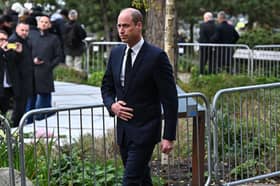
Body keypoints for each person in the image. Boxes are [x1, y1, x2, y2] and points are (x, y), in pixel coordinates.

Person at [101, 8, 178, 185]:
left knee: (130, 180)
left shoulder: (156, 56)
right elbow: (106, 87)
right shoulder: (116, 53)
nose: (121, 30)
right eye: (119, 26)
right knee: (142, 179)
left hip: (146, 131)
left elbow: (170, 98)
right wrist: (112, 106)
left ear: (139, 25)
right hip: (123, 131)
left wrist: (169, 135)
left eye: (126, 26)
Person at [26, 15, 62, 120]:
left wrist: (49, 66)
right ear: (38, 23)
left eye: (46, 22)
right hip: (32, 72)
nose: (44, 24)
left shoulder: (54, 38)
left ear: (49, 25)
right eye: (42, 21)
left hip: (45, 72)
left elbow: (59, 56)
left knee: (44, 98)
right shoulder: (32, 36)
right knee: (31, 99)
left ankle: (42, 118)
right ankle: (29, 120)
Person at [8, 21, 34, 126]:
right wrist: (18, 53)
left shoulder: (26, 40)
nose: (24, 32)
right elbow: (10, 60)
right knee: (18, 108)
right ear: (17, 29)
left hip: (25, 79)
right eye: (22, 30)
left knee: (22, 107)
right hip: (17, 80)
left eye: (26, 30)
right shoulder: (13, 41)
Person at [0, 29, 23, 127]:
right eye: (1, 39)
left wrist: (18, 52)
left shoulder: (8, 52)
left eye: (5, 39)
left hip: (7, 88)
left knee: (4, 112)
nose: (4, 42)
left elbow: (17, 65)